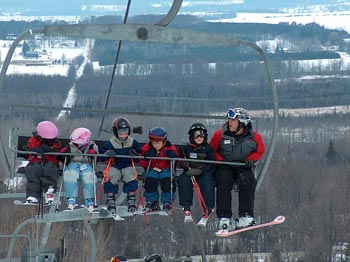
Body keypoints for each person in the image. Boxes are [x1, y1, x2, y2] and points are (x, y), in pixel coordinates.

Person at [210, 107, 265, 230]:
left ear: (242, 123)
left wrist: (251, 158)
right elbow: (211, 150)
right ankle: (224, 217)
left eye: (234, 120)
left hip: (242, 165)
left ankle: (245, 215)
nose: (230, 122)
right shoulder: (220, 135)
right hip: (225, 166)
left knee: (247, 180)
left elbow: (260, 150)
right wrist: (219, 160)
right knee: (224, 181)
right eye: (229, 119)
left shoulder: (254, 137)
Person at [99, 117, 141, 213]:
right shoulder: (111, 143)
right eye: (121, 133)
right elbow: (102, 157)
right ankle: (110, 199)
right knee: (112, 175)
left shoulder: (132, 142)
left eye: (125, 133)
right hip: (116, 164)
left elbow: (139, 157)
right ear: (115, 132)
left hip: (127, 164)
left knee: (130, 176)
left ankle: (131, 200)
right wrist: (108, 154)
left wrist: (135, 154)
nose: (123, 136)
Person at [178, 123, 215, 226]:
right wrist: (184, 164)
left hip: (204, 172)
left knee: (207, 182)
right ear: (191, 137)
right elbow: (181, 161)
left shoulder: (208, 149)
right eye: (196, 135)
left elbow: (211, 163)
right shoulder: (187, 149)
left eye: (201, 134)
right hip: (190, 172)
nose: (199, 137)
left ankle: (207, 208)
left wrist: (201, 170)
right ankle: (186, 207)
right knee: (184, 180)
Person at [139, 127, 179, 213]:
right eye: (153, 142)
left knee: (167, 180)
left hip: (166, 169)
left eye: (158, 142)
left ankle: (167, 202)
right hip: (152, 168)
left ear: (164, 141)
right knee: (150, 179)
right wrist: (146, 157)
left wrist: (173, 158)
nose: (156, 145)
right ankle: (152, 201)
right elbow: (142, 162)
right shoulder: (147, 149)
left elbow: (177, 163)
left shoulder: (170, 149)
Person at [60, 127, 99, 210]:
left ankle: (89, 200)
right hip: (73, 163)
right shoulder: (70, 146)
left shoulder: (92, 146)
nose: (76, 145)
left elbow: (96, 159)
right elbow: (62, 158)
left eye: (77, 144)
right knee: (70, 174)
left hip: (86, 163)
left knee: (89, 176)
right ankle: (71, 199)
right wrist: (63, 154)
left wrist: (94, 154)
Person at [24, 121, 61, 204]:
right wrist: (34, 150)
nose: (50, 141)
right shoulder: (33, 141)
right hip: (36, 161)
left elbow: (59, 153)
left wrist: (52, 151)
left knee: (50, 170)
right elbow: (27, 150)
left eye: (51, 140)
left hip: (50, 162)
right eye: (48, 140)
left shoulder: (56, 143)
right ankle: (33, 195)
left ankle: (49, 191)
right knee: (33, 171)